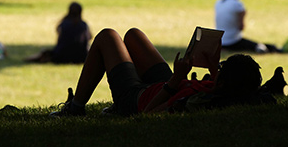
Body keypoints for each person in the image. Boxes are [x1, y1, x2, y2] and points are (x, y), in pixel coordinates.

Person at [50, 27, 274, 116]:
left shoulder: (196, 102)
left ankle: (75, 108)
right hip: (168, 84)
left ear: (226, 83)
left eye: (221, 70)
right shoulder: (222, 91)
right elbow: (221, 87)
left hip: (138, 98)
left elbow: (148, 114)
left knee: (107, 37)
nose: (218, 70)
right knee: (134, 35)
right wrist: (212, 66)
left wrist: (175, 80)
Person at [215, 0, 281, 53]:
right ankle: (274, 49)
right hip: (233, 41)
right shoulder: (237, 4)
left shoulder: (219, 2)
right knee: (258, 46)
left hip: (221, 41)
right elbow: (241, 27)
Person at [25, 2, 91, 64]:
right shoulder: (83, 25)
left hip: (61, 56)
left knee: (46, 52)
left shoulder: (64, 24)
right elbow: (89, 37)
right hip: (81, 56)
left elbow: (60, 36)